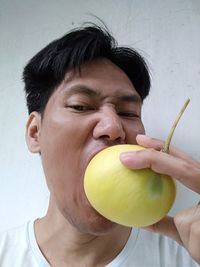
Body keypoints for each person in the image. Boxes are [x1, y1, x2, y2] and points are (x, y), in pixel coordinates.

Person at [0, 24, 199, 267]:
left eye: (128, 112)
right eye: (81, 106)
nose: (114, 127)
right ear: (34, 132)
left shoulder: (185, 256)